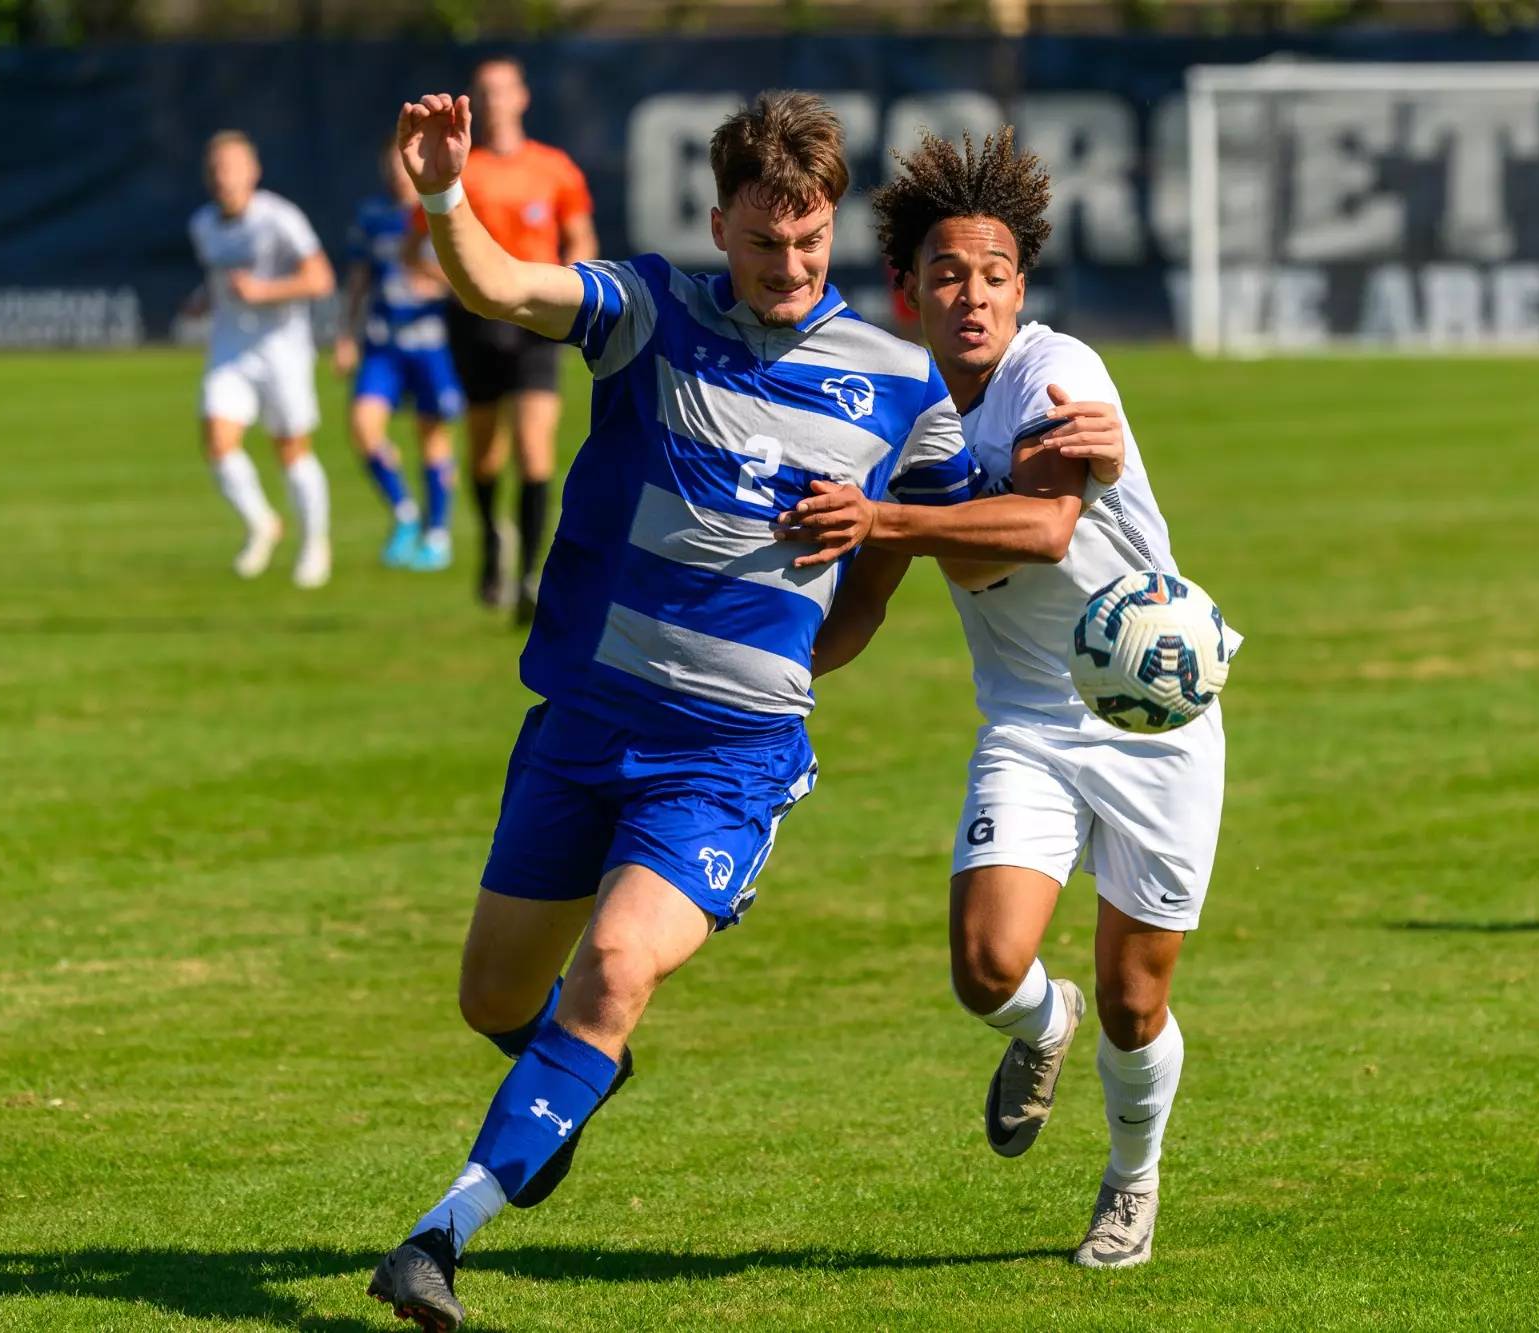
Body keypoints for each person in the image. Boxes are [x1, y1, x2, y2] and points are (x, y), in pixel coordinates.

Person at [366, 89, 1126, 1331]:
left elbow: (996, 540)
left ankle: (436, 1237)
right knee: (498, 1002)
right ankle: (567, 1081)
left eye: (811, 240)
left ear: (832, 229)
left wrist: (1074, 460)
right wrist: (446, 191)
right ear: (718, 223)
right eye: (765, 241)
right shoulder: (649, 313)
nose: (789, 265)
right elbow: (502, 286)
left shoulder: (896, 386)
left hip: (725, 760)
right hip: (582, 725)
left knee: (613, 967)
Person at [799, 128, 1242, 1270]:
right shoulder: (898, 422)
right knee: (986, 966)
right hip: (1032, 725)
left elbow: (1042, 528)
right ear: (907, 294)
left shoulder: (1060, 371)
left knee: (1136, 1000)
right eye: (947, 274)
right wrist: (762, 672)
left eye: (995, 274)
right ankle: (1043, 1030)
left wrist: (882, 517)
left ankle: (1129, 1181)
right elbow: (861, 609)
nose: (974, 295)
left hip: (1155, 717)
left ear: (1020, 287)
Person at [445, 56, 597, 621]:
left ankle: (530, 576)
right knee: (485, 454)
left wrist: (577, 289)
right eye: (483, 91)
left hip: (537, 320)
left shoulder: (554, 168)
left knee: (535, 450)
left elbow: (579, 234)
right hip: (476, 322)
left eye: (503, 90)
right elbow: (428, 244)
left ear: (522, 98)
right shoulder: (463, 171)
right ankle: (491, 538)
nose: (494, 101)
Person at [189, 131, 336, 588]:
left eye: (231, 168)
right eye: (215, 170)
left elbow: (321, 279)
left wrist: (264, 292)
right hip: (231, 350)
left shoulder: (279, 219)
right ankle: (262, 523)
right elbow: (221, 282)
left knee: (290, 450)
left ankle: (315, 543)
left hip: (282, 352)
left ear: (253, 172)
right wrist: (201, 300)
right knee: (217, 438)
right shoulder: (203, 225)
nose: (223, 178)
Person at [336, 141, 462, 570]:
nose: (397, 174)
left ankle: (438, 533)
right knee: (363, 426)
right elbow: (358, 279)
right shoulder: (372, 216)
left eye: (402, 166)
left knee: (432, 436)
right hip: (383, 343)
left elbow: (468, 275)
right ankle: (406, 514)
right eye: (390, 166)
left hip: (430, 342)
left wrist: (436, 283)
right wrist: (346, 335)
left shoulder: (442, 211)